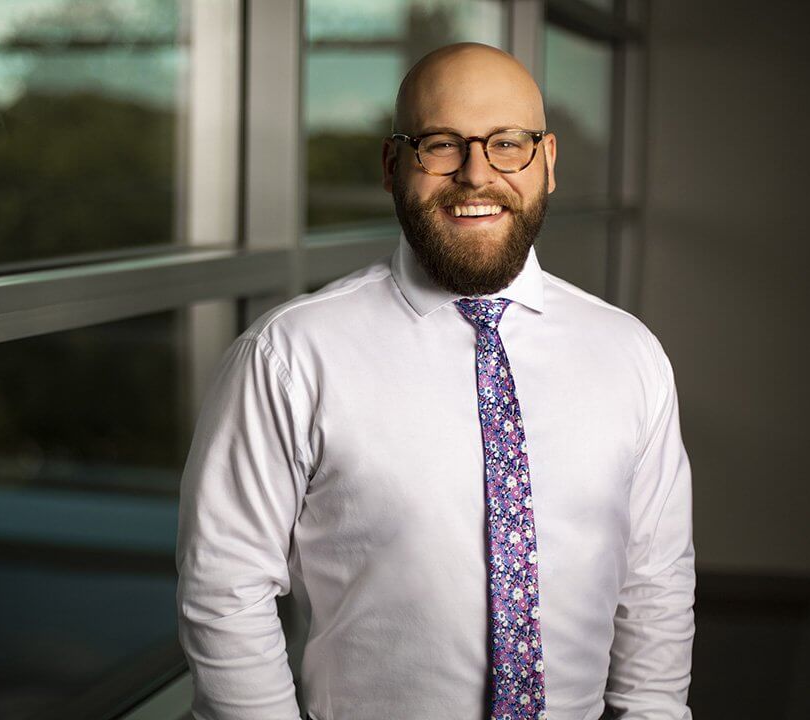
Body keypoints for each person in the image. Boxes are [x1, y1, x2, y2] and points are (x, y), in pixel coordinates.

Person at [175, 42, 694, 720]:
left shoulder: (630, 354)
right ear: (394, 166)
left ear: (548, 162)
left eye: (508, 143)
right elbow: (224, 587)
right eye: (442, 145)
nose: (477, 174)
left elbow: (654, 583)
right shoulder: (291, 355)